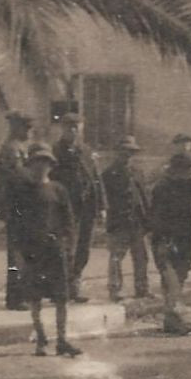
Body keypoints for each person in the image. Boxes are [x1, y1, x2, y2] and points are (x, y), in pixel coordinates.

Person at [9, 143, 82, 357]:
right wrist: (18, 254)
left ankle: (62, 340)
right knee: (35, 298)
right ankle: (41, 339)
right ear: (30, 165)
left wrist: (69, 247)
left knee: (61, 298)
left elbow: (69, 222)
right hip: (32, 251)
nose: (41, 167)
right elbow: (15, 225)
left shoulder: (58, 190)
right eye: (37, 163)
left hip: (55, 250)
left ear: (51, 166)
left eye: (45, 163)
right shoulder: (22, 192)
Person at [52, 111, 104, 303]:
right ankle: (62, 288)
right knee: (67, 247)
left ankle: (75, 285)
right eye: (70, 128)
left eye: (77, 128)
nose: (74, 131)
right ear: (63, 129)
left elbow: (96, 179)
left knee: (84, 247)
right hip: (66, 207)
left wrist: (102, 207)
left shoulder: (87, 151)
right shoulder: (55, 152)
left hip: (87, 207)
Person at [149, 151, 191, 333]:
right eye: (190, 171)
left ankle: (170, 319)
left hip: (184, 239)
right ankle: (174, 319)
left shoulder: (188, 185)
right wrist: (162, 241)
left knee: (179, 278)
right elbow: (156, 218)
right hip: (166, 239)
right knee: (172, 282)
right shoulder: (162, 188)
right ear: (178, 170)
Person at [101, 135, 151, 301]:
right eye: (124, 152)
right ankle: (115, 290)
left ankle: (142, 288)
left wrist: (147, 218)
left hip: (137, 221)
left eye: (131, 152)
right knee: (116, 256)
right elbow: (104, 198)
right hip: (119, 221)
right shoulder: (108, 174)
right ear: (117, 152)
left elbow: (143, 196)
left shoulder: (137, 172)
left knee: (141, 257)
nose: (128, 155)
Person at [0, 111, 33, 310]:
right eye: (26, 128)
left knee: (21, 252)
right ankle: (16, 297)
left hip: (20, 205)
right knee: (17, 254)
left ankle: (18, 295)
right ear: (16, 128)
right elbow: (19, 177)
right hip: (16, 206)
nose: (29, 132)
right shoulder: (12, 149)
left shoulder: (16, 147)